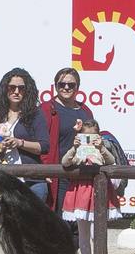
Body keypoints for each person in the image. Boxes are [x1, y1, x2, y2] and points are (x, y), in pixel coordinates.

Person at [59, 118, 122, 254]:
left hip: (98, 192)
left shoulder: (101, 150)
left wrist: (101, 147)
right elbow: (65, 162)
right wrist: (74, 147)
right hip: (80, 192)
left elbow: (111, 160)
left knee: (97, 231)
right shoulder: (76, 151)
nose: (88, 140)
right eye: (85, 136)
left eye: (93, 136)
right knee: (83, 232)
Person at [0, 68, 50, 202]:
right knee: (10, 222)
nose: (16, 91)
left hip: (32, 181)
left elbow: (44, 146)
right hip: (5, 180)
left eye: (21, 88)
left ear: (27, 91)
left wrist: (19, 142)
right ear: (5, 89)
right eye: (12, 87)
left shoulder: (35, 114)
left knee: (32, 223)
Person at [39, 66, 94, 214]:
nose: (66, 87)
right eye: (62, 84)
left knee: (78, 221)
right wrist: (45, 170)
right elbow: (41, 142)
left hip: (81, 173)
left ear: (78, 87)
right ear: (56, 86)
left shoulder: (85, 111)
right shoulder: (46, 109)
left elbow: (92, 139)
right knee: (59, 220)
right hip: (58, 173)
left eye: (71, 85)